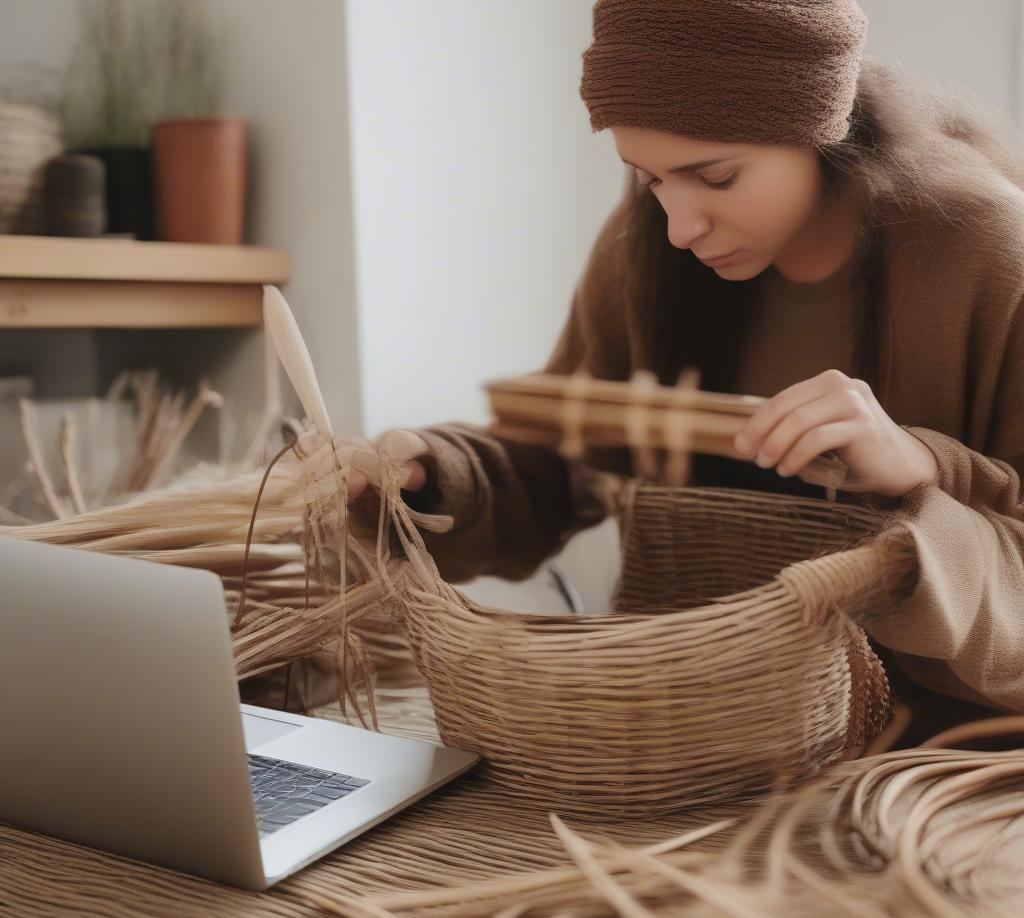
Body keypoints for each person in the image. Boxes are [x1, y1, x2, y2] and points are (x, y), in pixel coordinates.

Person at [349, 0, 1024, 739]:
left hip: (932, 755)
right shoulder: (646, 246)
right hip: (688, 731)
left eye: (718, 177)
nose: (680, 225)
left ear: (817, 128)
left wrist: (921, 465)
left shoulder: (990, 253)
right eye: (650, 179)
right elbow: (569, 456)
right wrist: (432, 474)